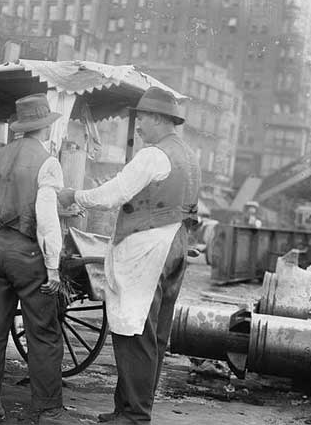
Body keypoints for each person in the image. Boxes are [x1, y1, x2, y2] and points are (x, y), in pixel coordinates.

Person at [58, 86, 201, 424]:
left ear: (158, 119)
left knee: (133, 330)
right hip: (175, 241)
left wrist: (73, 195)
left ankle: (135, 414)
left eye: (142, 120)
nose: (138, 127)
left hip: (148, 245)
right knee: (154, 334)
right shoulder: (188, 156)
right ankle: (127, 407)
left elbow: (114, 194)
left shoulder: (154, 155)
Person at [0, 93, 74, 425]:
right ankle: (49, 410)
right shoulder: (47, 162)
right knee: (43, 331)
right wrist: (53, 268)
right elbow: (46, 221)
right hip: (27, 253)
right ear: (45, 127)